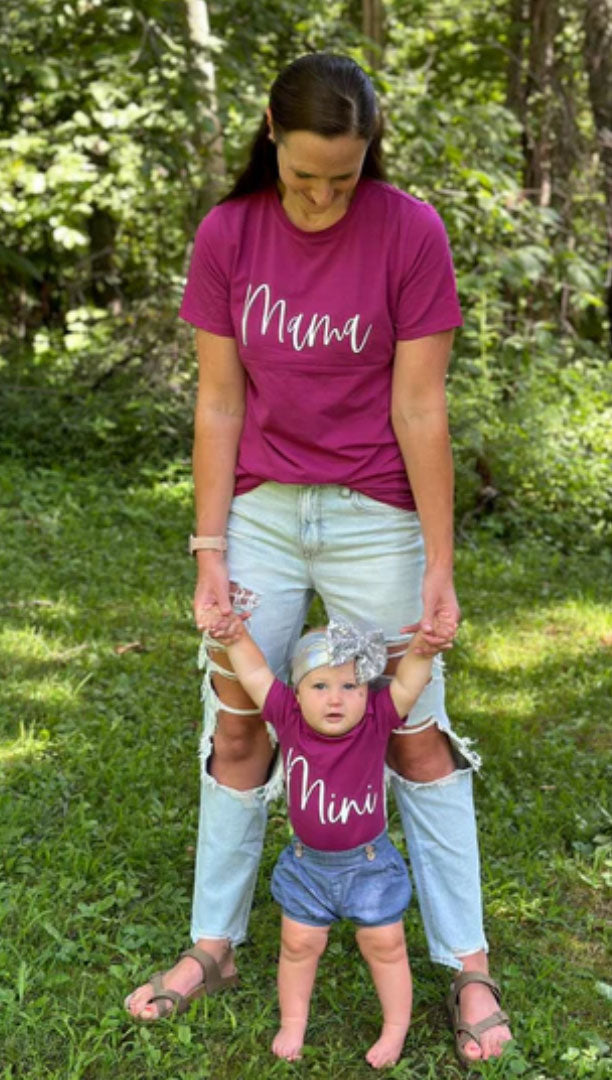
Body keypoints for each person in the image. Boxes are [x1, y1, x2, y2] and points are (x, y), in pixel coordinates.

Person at [125, 51, 512, 1065]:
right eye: (305, 174)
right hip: (258, 509)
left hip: (374, 512)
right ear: (270, 135)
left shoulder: (409, 231)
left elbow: (419, 403)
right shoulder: (229, 232)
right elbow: (219, 401)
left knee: (411, 730)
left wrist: (439, 558)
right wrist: (209, 548)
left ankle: (467, 964)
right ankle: (217, 945)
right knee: (240, 721)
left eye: (344, 175)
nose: (324, 195)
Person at [206, 612, 451, 1066]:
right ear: (297, 693)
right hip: (308, 868)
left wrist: (424, 650)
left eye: (349, 687)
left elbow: (407, 685)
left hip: (369, 866)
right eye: (319, 686)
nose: (334, 699)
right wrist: (236, 636)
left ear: (366, 693)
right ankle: (293, 1022)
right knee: (298, 947)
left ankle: (395, 1028)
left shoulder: (377, 720)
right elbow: (257, 673)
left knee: (386, 946)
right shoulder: (289, 719)